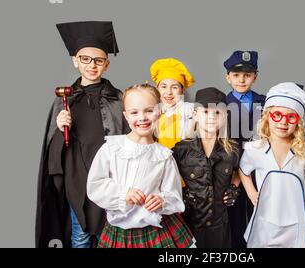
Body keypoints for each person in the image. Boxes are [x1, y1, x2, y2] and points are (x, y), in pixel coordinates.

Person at [35, 21, 129, 248]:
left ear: (106, 64)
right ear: (75, 61)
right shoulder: (63, 100)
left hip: (109, 177)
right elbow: (54, 152)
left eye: (98, 60)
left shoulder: (118, 98)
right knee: (80, 234)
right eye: (85, 59)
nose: (92, 65)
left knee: (109, 236)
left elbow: (129, 137)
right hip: (77, 178)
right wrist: (60, 129)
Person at [87, 83, 195, 248]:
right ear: (126, 116)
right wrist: (124, 194)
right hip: (119, 232)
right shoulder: (112, 147)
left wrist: (162, 201)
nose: (142, 118)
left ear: (159, 112)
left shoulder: (164, 156)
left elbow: (174, 196)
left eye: (149, 111)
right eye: (134, 112)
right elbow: (95, 185)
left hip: (157, 230)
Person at [239, 82, 305, 248]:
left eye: (291, 117)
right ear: (267, 117)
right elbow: (243, 171)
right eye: (277, 115)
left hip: (295, 224)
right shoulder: (254, 149)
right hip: (264, 222)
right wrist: (251, 192)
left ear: (298, 122)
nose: (283, 123)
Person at [172, 87, 241, 248]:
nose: (211, 117)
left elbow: (239, 170)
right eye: (205, 112)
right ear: (195, 115)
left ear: (225, 117)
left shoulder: (233, 149)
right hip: (190, 225)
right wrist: (180, 193)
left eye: (217, 113)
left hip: (220, 227)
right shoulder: (181, 149)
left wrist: (233, 187)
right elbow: (166, 175)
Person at [223, 50, 266, 248]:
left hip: (260, 168)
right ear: (228, 77)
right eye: (236, 75)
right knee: (235, 219)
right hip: (231, 171)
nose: (242, 80)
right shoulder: (221, 105)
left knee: (261, 215)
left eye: (247, 75)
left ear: (255, 77)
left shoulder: (265, 102)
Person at [150, 58, 195, 149]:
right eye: (164, 86)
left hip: (184, 160)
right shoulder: (151, 111)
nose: (169, 92)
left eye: (174, 87)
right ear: (157, 88)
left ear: (182, 90)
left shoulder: (191, 110)